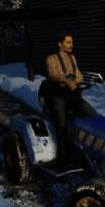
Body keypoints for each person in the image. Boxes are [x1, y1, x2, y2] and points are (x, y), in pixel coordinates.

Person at [39, 32, 97, 165]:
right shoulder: (52, 58)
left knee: (91, 114)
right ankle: (64, 157)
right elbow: (53, 74)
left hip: (71, 94)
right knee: (62, 123)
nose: (72, 45)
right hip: (56, 95)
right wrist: (66, 79)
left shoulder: (72, 58)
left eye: (72, 42)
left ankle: (90, 149)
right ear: (60, 44)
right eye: (68, 42)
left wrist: (75, 80)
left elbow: (79, 75)